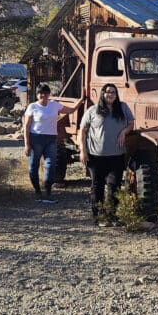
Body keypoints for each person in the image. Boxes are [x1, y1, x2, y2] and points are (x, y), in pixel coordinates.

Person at [78, 83, 134, 226]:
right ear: (102, 94)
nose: (110, 94)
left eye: (113, 92)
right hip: (95, 156)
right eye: (107, 92)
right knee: (97, 186)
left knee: (114, 185)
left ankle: (112, 216)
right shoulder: (92, 110)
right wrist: (83, 151)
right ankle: (98, 217)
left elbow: (131, 123)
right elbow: (82, 131)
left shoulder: (123, 108)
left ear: (116, 95)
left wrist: (124, 131)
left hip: (116, 155)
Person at [23, 83, 83, 203]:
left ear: (49, 94)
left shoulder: (54, 105)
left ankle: (48, 191)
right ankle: (37, 192)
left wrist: (81, 100)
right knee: (33, 166)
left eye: (45, 93)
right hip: (36, 138)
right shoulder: (33, 107)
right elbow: (27, 126)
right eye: (40, 93)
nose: (43, 95)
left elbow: (70, 110)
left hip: (51, 139)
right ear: (37, 94)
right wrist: (27, 144)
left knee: (50, 166)